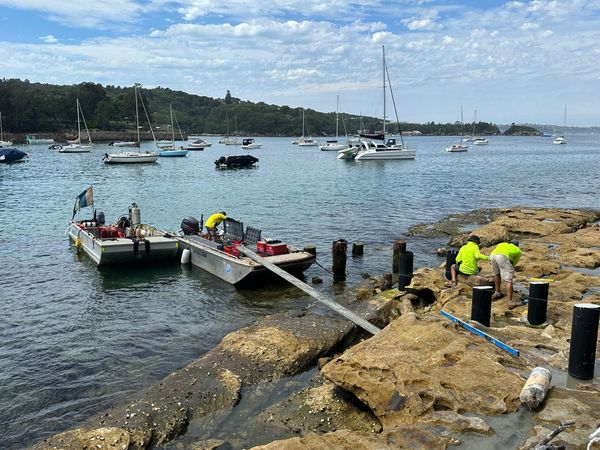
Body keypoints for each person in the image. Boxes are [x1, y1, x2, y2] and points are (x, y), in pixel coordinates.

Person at [490, 240, 522, 308]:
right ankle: (510, 302)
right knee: (508, 280)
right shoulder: (518, 250)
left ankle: (497, 292)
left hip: (492, 256)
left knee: (497, 274)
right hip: (502, 257)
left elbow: (495, 251)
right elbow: (513, 263)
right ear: (516, 245)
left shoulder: (502, 244)